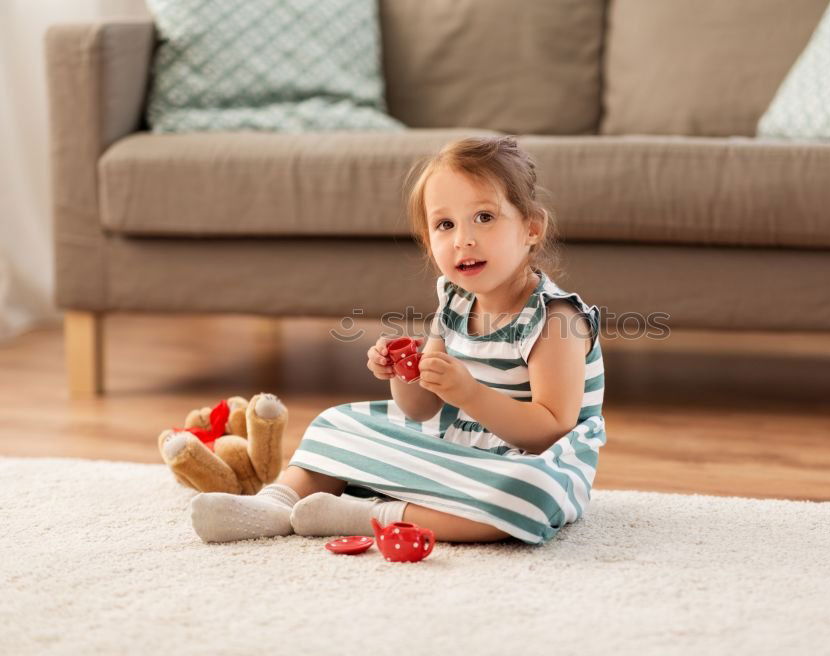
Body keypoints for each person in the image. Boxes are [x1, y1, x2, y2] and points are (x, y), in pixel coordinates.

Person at [190, 135, 606, 545]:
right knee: (336, 422)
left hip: (528, 461)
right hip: (457, 445)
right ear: (429, 240)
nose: (463, 238)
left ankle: (371, 514)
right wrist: (403, 375)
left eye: (484, 217)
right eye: (445, 224)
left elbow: (551, 430)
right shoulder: (455, 300)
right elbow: (421, 408)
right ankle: (275, 503)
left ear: (532, 228)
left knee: (528, 497)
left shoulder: (554, 318)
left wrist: (469, 394)